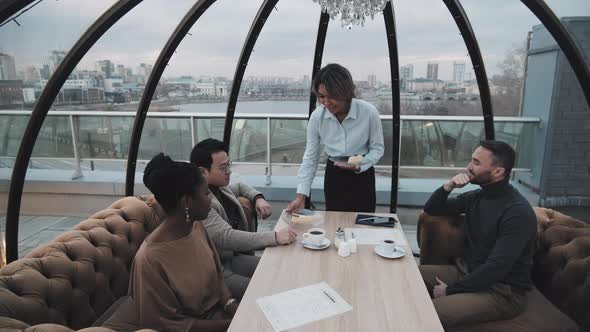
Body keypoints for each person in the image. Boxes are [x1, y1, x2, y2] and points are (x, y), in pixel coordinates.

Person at [419, 140, 537, 328]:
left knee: (424, 314)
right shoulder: (477, 196)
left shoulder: (517, 212)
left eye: (476, 162)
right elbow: (432, 208)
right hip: (467, 273)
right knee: (406, 275)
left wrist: (450, 290)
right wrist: (448, 187)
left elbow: (497, 267)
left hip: (501, 292)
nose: (468, 167)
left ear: (498, 171)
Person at [129, 153, 237, 331]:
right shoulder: (150, 260)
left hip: (219, 316)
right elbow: (165, 324)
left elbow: (218, 277)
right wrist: (230, 325)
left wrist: (232, 305)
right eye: (206, 193)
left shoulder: (196, 227)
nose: (211, 198)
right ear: (186, 201)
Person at [190, 138, 297, 300]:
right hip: (216, 269)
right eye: (223, 167)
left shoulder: (219, 186)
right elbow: (226, 237)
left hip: (232, 258)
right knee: (268, 290)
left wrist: (258, 197)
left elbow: (240, 186)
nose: (229, 171)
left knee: (281, 271)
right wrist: (274, 237)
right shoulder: (201, 200)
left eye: (229, 165)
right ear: (202, 171)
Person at [286, 63, 384, 213]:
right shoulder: (318, 117)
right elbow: (311, 158)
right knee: (335, 224)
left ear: (346, 92)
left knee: (363, 224)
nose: (326, 102)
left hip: (362, 174)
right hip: (334, 174)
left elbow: (377, 149)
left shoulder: (368, 112)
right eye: (322, 96)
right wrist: (301, 196)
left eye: (332, 96)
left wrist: (361, 164)